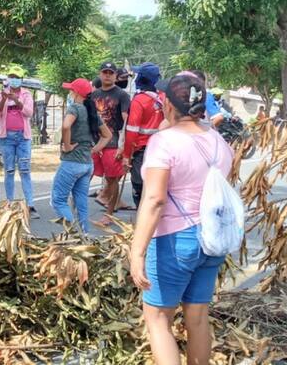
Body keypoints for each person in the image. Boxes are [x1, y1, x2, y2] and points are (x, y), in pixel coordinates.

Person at [129, 73, 233, 365]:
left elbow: (154, 199)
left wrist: (136, 252)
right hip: (211, 240)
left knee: (158, 319)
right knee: (197, 317)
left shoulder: (164, 142)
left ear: (168, 104)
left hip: (175, 240)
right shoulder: (218, 141)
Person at [51, 78, 112, 232]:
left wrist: (67, 145)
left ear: (76, 93)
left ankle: (74, 232)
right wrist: (94, 149)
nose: (70, 93)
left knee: (58, 201)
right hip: (87, 164)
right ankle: (85, 236)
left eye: (71, 90)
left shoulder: (75, 108)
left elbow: (66, 126)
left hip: (72, 162)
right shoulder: (92, 112)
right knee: (81, 203)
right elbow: (107, 135)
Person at [0, 67, 38, 218]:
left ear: (21, 79)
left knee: (25, 171)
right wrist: (5, 99)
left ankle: (30, 205)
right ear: (7, 79)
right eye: (11, 76)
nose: (14, 79)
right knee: (9, 171)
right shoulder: (0, 94)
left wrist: (16, 100)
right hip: (6, 138)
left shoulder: (26, 94)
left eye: (17, 77)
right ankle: (10, 203)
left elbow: (29, 113)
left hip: (23, 138)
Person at [92, 62, 131, 224]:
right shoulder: (93, 95)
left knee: (112, 179)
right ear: (100, 74)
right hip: (94, 142)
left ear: (115, 76)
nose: (107, 75)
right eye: (104, 72)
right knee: (86, 175)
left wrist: (124, 145)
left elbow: (126, 120)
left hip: (113, 143)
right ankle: (76, 210)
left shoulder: (122, 95)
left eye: (110, 72)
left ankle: (109, 214)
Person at [122, 63, 164, 209]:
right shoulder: (163, 98)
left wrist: (127, 156)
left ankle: (142, 218)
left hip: (142, 151)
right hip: (161, 149)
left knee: (140, 186)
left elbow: (132, 131)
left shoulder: (139, 101)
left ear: (142, 78)